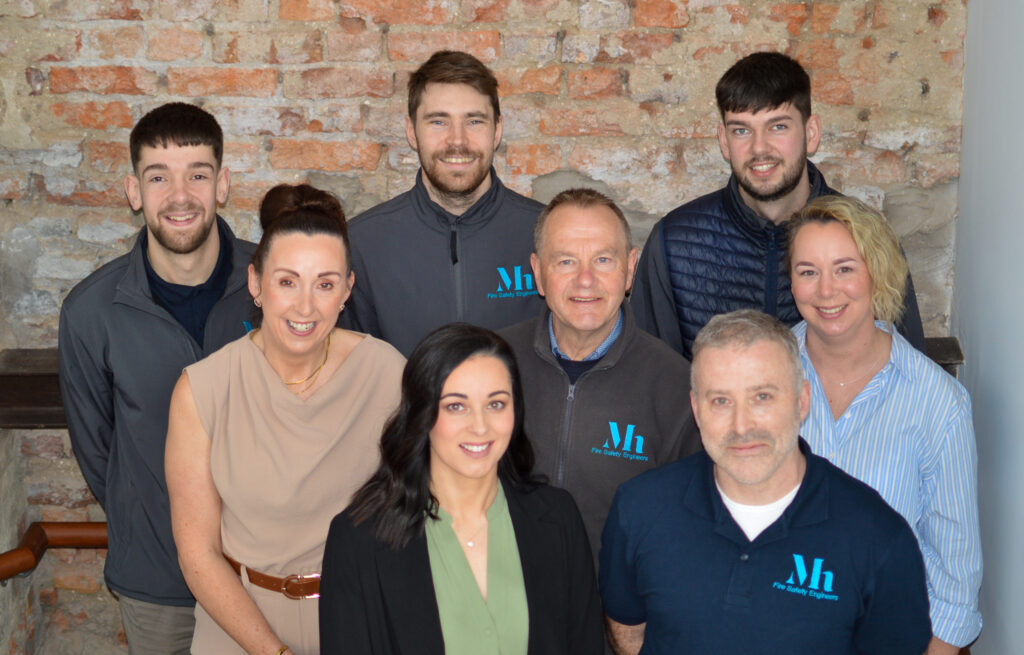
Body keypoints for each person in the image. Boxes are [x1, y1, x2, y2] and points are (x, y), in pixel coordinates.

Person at [600, 310, 931, 655]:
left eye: (762, 397)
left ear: (802, 401)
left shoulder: (878, 537)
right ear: (696, 410)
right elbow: (628, 632)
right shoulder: (638, 509)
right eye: (721, 401)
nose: (742, 426)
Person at [165, 184, 404, 655]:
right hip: (238, 623)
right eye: (287, 281)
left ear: (347, 291)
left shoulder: (388, 374)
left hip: (359, 619)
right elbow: (198, 556)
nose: (305, 306)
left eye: (326, 284)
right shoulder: (203, 390)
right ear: (256, 284)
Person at [57, 102, 254, 653]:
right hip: (157, 585)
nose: (180, 195)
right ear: (133, 191)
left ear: (223, 185)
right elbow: (98, 454)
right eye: (158, 177)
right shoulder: (90, 311)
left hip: (262, 574)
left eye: (197, 174)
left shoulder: (276, 288)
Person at [319, 324, 604, 655]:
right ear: (422, 415)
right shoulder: (358, 539)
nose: (480, 426)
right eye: (456, 406)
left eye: (496, 404)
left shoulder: (559, 518)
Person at [630, 51, 925, 360]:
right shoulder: (674, 243)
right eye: (741, 130)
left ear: (811, 134)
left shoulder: (868, 238)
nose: (759, 148)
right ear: (723, 141)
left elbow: (909, 372)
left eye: (778, 127)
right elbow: (649, 379)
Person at [787, 195, 982, 654]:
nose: (826, 291)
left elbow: (955, 572)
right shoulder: (760, 376)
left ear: (878, 272)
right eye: (808, 271)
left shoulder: (938, 403)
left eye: (845, 268)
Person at [500, 188, 700, 559]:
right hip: (500, 603)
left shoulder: (677, 388)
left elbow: (688, 531)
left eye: (603, 260)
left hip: (614, 613)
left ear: (630, 267)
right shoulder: (492, 365)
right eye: (565, 262)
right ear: (537, 273)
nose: (585, 280)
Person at [343, 50, 545, 356]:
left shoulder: (545, 234)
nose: (457, 141)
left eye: (474, 121)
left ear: (497, 130)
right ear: (412, 131)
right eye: (438, 122)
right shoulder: (361, 245)